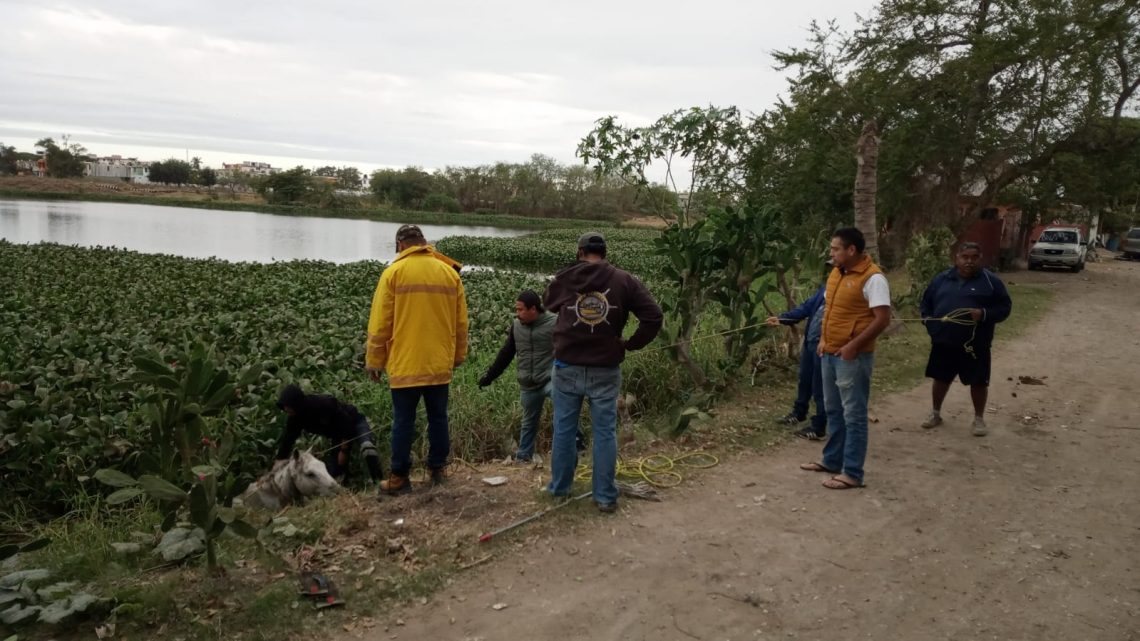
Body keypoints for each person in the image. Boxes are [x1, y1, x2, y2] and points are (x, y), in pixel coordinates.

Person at [543, 232, 663, 513]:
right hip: (606, 368)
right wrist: (630, 344)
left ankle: (559, 488)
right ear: (605, 252)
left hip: (567, 367)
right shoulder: (624, 280)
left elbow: (548, 303)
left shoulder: (565, 278)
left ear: (580, 251)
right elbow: (653, 317)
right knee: (605, 432)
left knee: (563, 430)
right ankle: (605, 496)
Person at [366, 224, 469, 495]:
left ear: (400, 245)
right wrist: (457, 357)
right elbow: (461, 324)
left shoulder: (393, 273)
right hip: (438, 364)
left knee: (403, 421)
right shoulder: (449, 273)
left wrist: (374, 360)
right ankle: (437, 471)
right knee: (438, 418)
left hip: (405, 364)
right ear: (424, 242)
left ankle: (399, 479)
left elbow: (380, 323)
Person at [800, 227, 891, 490]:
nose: (831, 253)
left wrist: (853, 346)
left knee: (854, 414)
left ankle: (852, 472)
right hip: (829, 352)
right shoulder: (836, 274)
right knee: (833, 410)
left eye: (835, 248)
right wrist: (824, 341)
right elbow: (831, 311)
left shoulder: (873, 279)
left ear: (851, 250)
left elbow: (882, 319)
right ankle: (831, 461)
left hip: (853, 357)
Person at [919, 242, 1012, 436]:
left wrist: (984, 313)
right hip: (944, 340)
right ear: (957, 258)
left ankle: (978, 419)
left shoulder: (991, 282)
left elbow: (1005, 308)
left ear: (981, 258)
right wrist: (929, 322)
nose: (969, 262)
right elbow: (926, 304)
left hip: (975, 343)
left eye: (974, 257)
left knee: (978, 381)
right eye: (965, 257)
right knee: (941, 377)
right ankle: (935, 413)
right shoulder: (941, 279)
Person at [477, 290, 575, 462]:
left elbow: (573, 346)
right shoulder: (517, 326)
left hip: (549, 380)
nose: (518, 313)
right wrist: (490, 376)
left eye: (521, 310)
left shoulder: (554, 323)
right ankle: (523, 457)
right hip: (528, 383)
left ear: (533, 309)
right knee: (529, 422)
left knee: (565, 410)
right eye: (517, 310)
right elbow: (506, 354)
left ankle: (577, 444)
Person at [766, 262, 831, 440]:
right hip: (811, 341)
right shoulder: (826, 288)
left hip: (825, 345)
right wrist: (782, 318)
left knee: (820, 386)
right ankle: (799, 412)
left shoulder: (845, 291)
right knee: (805, 378)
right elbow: (806, 307)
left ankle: (818, 426)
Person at [274, 384, 383, 485]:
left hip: (354, 422)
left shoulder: (322, 403)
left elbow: (346, 423)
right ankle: (346, 483)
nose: (285, 409)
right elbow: (287, 440)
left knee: (366, 446)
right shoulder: (295, 419)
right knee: (336, 472)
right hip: (337, 434)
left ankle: (378, 480)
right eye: (284, 407)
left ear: (296, 403)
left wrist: (344, 451)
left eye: (288, 406)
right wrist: (278, 464)